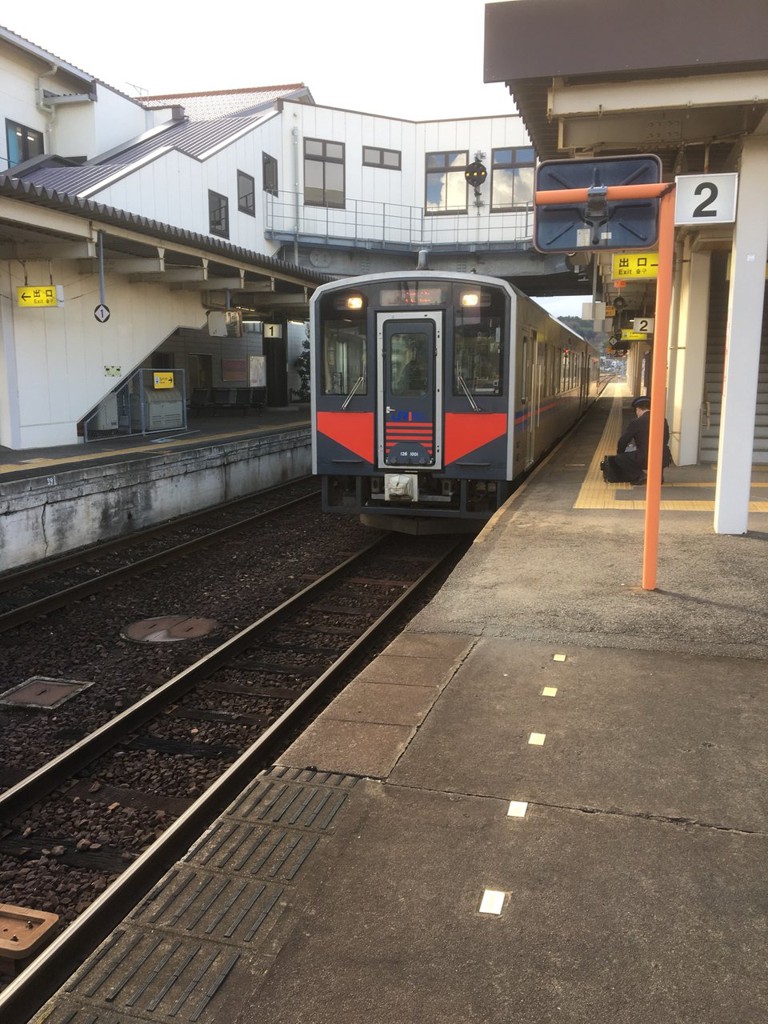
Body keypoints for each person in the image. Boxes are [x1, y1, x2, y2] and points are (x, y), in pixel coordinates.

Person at [614, 395, 671, 485]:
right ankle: (658, 476)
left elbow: (623, 440)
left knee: (620, 459)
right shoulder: (663, 420)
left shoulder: (636, 422)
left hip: (645, 457)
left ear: (638, 410)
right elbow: (666, 438)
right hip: (663, 457)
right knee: (657, 453)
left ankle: (640, 476)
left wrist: (620, 453)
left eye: (636, 411)